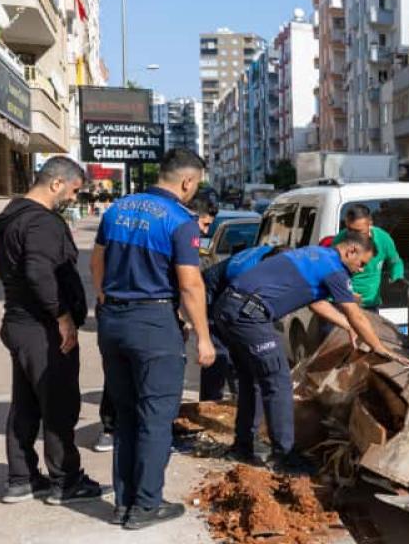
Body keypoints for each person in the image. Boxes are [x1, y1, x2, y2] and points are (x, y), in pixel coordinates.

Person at [91, 148, 216, 530]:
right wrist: (204, 338)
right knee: (156, 418)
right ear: (187, 181)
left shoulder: (117, 209)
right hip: (153, 323)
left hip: (113, 321)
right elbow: (190, 285)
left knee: (126, 414)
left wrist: (105, 299)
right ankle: (146, 506)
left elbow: (97, 262)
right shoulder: (180, 220)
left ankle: (124, 502)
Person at [214, 233, 391, 470]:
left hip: (229, 306)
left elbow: (317, 303)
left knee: (252, 379)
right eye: (362, 263)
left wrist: (347, 327)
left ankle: (242, 447)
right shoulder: (335, 269)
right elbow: (355, 313)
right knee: (278, 381)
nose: (361, 270)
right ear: (351, 251)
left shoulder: (315, 255)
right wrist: (379, 347)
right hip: (249, 315)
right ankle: (284, 457)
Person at [0, 157, 104, 506]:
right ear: (56, 183)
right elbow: (39, 273)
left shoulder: (15, 215)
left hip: (20, 323)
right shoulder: (40, 222)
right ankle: (65, 482)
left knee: (26, 405)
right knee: (59, 405)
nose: (73, 198)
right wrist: (62, 317)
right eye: (73, 190)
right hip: (42, 328)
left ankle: (22, 478)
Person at [197, 244, 287, 403]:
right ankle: (211, 401)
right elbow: (234, 306)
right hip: (214, 291)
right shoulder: (244, 272)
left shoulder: (271, 254)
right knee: (220, 350)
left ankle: (240, 399)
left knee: (241, 346)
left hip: (234, 293)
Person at [335, 204, 404, 313]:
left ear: (370, 224)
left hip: (371, 304)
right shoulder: (340, 240)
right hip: (345, 303)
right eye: (350, 230)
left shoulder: (383, 239)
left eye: (359, 231)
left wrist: (397, 277)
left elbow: (395, 262)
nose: (354, 235)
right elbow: (333, 272)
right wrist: (347, 292)